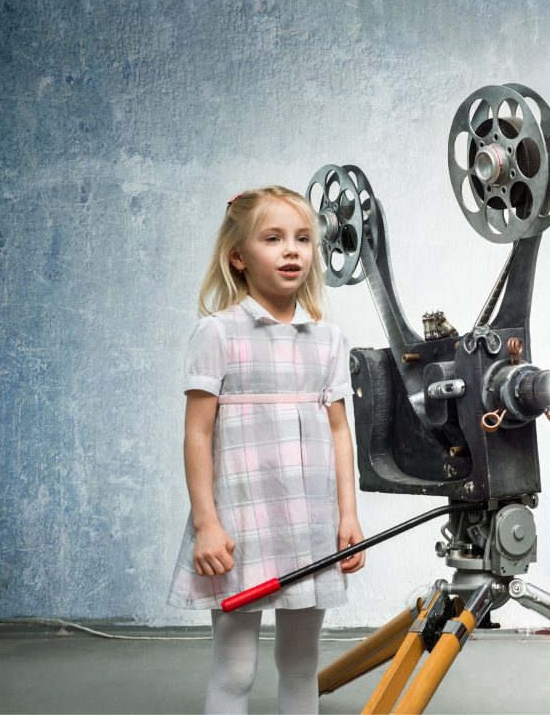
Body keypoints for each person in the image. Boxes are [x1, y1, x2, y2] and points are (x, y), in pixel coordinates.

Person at [167, 186, 365, 714]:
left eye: (303, 239)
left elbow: (341, 433)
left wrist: (349, 515)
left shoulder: (329, 340)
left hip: (308, 524)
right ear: (239, 256)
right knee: (236, 668)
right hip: (241, 523)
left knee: (301, 665)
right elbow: (198, 434)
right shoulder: (217, 334)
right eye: (273, 239)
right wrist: (207, 523)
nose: (291, 250)